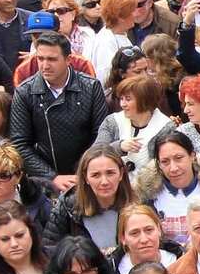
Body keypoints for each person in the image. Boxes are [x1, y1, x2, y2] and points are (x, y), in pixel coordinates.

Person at [9, 31, 108, 193]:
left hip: (87, 176)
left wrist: (85, 172)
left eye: (52, 59)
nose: (45, 65)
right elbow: (19, 144)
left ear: (69, 59)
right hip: (43, 182)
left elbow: (101, 135)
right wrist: (52, 177)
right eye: (40, 59)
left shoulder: (91, 87)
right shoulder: (24, 92)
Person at [43, 144, 134, 252]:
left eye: (110, 173)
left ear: (121, 174)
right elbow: (50, 250)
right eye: (96, 175)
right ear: (86, 177)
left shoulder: (139, 203)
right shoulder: (68, 207)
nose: (104, 182)